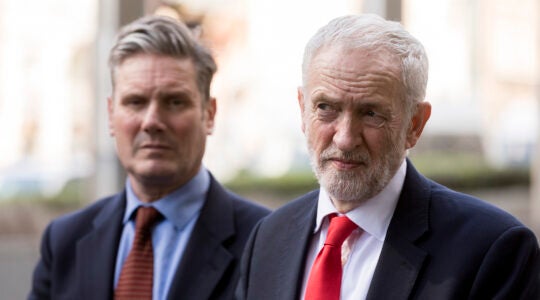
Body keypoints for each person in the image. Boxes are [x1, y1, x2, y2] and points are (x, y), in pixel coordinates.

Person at [236, 14, 540, 300]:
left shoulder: (492, 250)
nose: (344, 138)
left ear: (415, 124)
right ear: (302, 108)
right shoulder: (268, 238)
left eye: (370, 113)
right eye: (326, 108)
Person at [29, 15, 269, 300]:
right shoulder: (64, 241)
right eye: (135, 102)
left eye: (175, 102)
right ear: (110, 115)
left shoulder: (266, 241)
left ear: (210, 114)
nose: (152, 121)